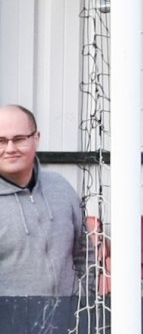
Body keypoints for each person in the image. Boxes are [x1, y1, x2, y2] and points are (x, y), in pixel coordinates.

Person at [0, 104, 85, 296]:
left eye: (19, 139)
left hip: (69, 319)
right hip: (9, 322)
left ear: (36, 138)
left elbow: (84, 252)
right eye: (1, 141)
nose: (10, 149)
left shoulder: (61, 187)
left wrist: (85, 296)